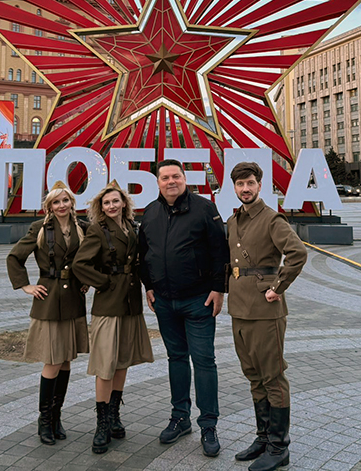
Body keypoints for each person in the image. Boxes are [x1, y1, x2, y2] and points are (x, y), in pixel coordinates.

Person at [138, 158, 228, 457]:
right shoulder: (150, 212)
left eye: (175, 176)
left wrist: (218, 288)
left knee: (204, 361)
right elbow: (143, 253)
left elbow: (220, 250)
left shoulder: (204, 208)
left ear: (185, 179)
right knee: (176, 359)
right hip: (164, 301)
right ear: (158, 182)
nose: (171, 182)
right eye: (165, 178)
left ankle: (209, 425)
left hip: (198, 299)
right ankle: (180, 417)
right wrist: (148, 285)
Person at [226, 161, 308, 471]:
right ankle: (262, 438)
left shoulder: (272, 219)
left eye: (250, 183)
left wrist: (278, 286)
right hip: (239, 308)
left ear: (260, 185)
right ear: (234, 187)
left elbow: (298, 253)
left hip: (264, 309)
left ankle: (279, 446)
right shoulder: (233, 221)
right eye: (240, 184)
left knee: (272, 376)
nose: (245, 188)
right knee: (253, 375)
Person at [72, 182, 153, 455]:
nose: (111, 206)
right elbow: (80, 264)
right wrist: (103, 282)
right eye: (106, 203)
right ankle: (102, 423)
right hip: (108, 305)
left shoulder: (131, 227)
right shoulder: (97, 230)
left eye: (115, 201)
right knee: (105, 364)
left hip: (130, 303)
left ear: (124, 203)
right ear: (101, 207)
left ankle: (115, 415)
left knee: (122, 362)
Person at [6, 181, 88, 446]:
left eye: (65, 200)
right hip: (49, 299)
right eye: (56, 201)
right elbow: (14, 257)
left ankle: (56, 417)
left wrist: (87, 279)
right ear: (49, 206)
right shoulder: (39, 228)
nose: (62, 205)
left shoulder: (82, 227)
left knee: (66, 361)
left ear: (72, 202)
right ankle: (44, 420)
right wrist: (25, 285)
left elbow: (90, 258)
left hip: (73, 298)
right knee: (52, 360)